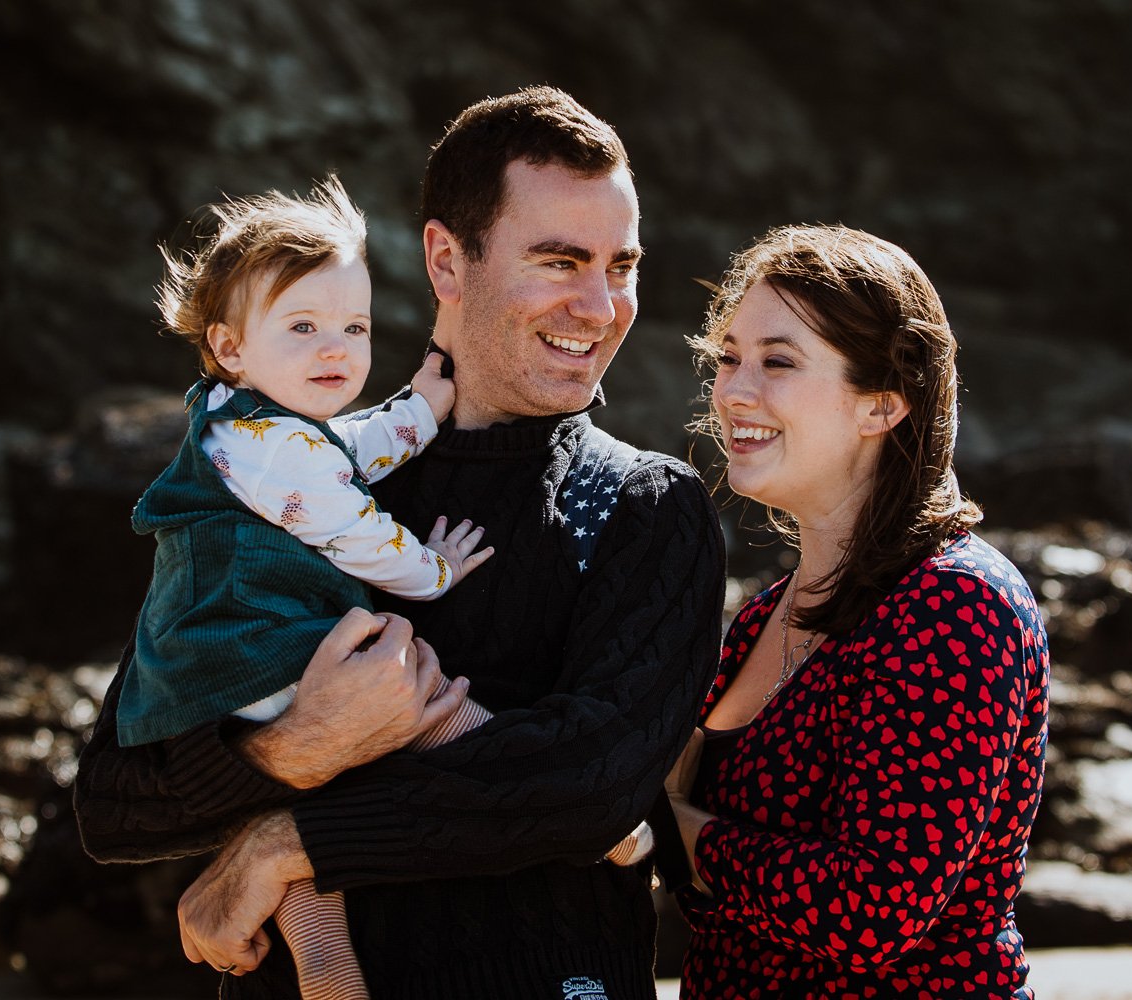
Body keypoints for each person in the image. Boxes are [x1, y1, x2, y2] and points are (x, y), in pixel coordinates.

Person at [73, 85, 726, 1000]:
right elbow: (111, 799)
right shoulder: (288, 476)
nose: (600, 304)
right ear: (446, 261)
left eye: (621, 264)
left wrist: (285, 842)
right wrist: (289, 749)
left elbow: (588, 787)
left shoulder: (649, 506)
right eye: (559, 260)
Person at [663, 224, 1050, 999]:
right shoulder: (760, 618)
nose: (734, 389)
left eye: (777, 361)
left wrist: (684, 833)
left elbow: (871, 912)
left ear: (882, 404)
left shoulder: (956, 606)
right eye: (729, 357)